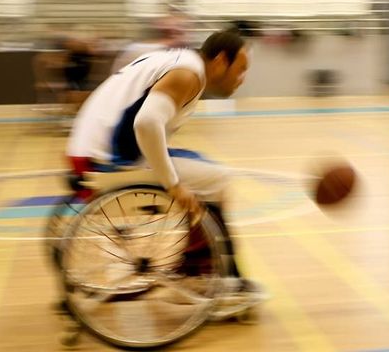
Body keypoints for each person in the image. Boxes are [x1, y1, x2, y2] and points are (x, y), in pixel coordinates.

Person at [66, 29, 259, 303]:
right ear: (219, 62)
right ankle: (200, 274)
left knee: (201, 168)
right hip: (106, 158)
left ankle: (198, 267)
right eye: (240, 70)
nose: (242, 79)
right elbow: (146, 124)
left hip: (86, 151)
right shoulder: (188, 74)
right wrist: (174, 185)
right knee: (216, 179)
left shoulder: (179, 61)